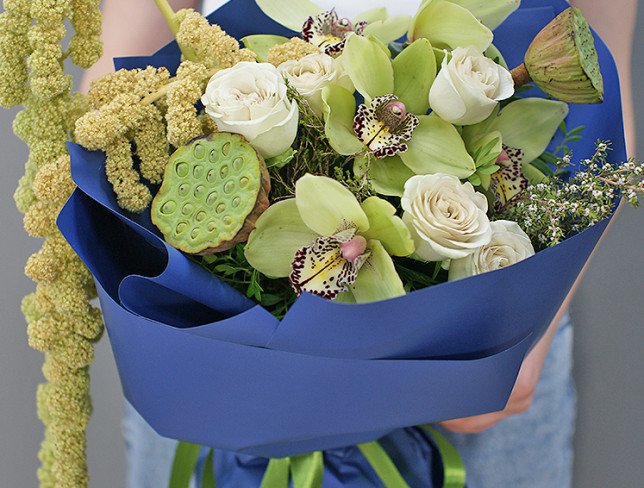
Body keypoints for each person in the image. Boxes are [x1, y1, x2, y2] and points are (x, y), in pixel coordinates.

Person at [82, 0, 638, 486]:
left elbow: (603, 89)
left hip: (484, 375)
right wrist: (173, 316)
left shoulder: (417, 150)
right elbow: (125, 55)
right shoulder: (327, 120)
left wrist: (521, 342)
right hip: (212, 367)